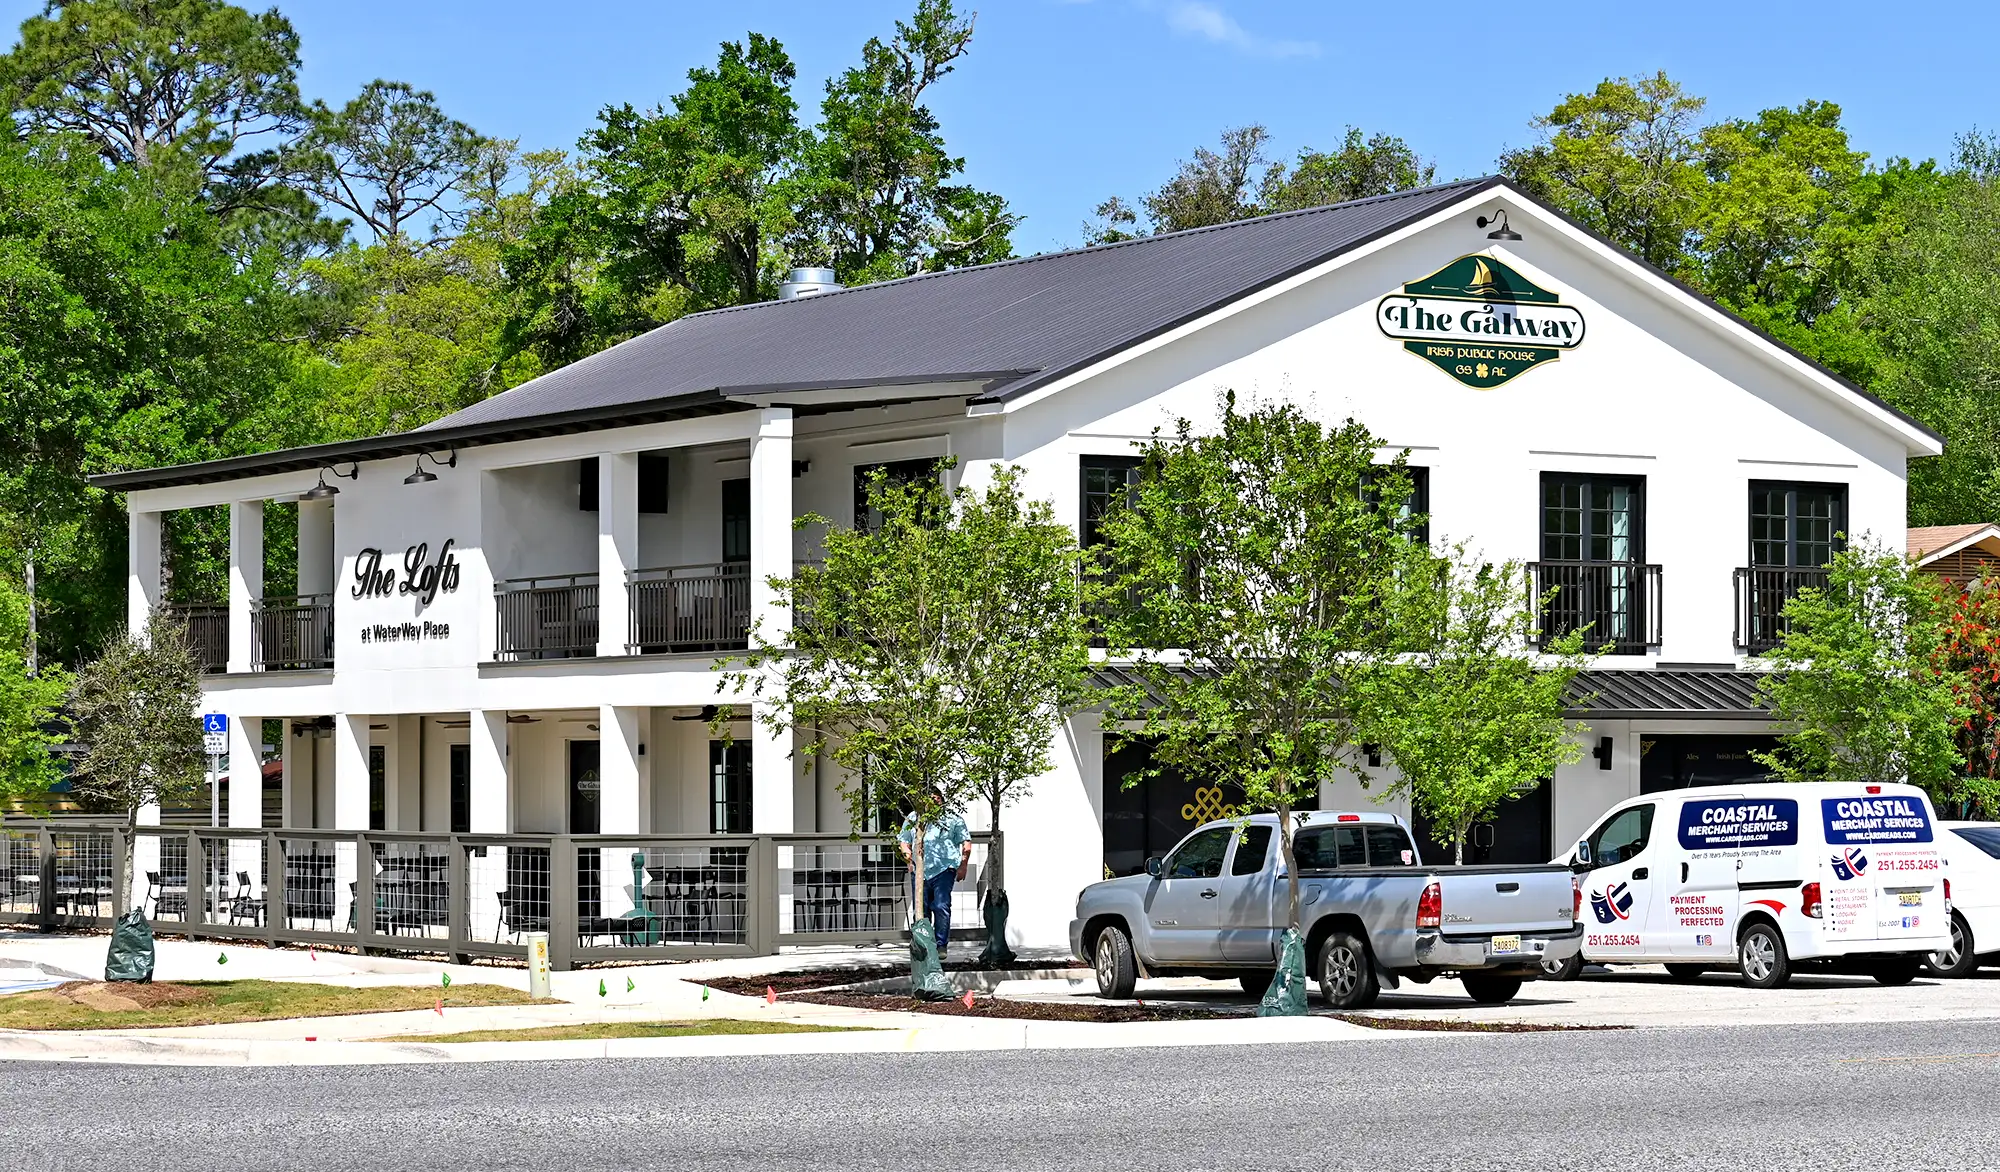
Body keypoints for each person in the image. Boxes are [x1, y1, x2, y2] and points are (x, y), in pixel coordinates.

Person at [896, 800, 971, 958]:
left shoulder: (952, 818)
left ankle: (941, 945)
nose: (932, 803)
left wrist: (963, 865)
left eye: (936, 800)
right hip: (919, 870)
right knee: (921, 909)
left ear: (942, 801)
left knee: (941, 905)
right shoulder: (913, 817)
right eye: (928, 799)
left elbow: (966, 843)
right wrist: (909, 860)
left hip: (945, 868)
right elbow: (903, 841)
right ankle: (924, 945)